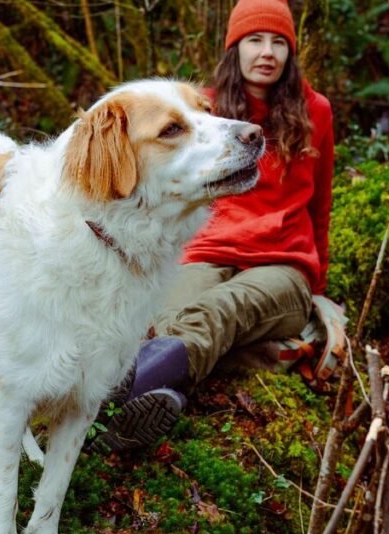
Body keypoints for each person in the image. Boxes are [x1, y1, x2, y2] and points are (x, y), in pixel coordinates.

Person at [93, 0, 342, 452]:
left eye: (278, 42)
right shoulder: (200, 110)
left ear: (290, 52)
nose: (266, 52)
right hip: (209, 251)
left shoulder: (315, 110)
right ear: (235, 48)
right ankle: (151, 400)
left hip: (284, 266)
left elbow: (320, 204)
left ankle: (112, 406)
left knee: (222, 310)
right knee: (164, 315)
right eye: (254, 40)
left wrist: (317, 285)